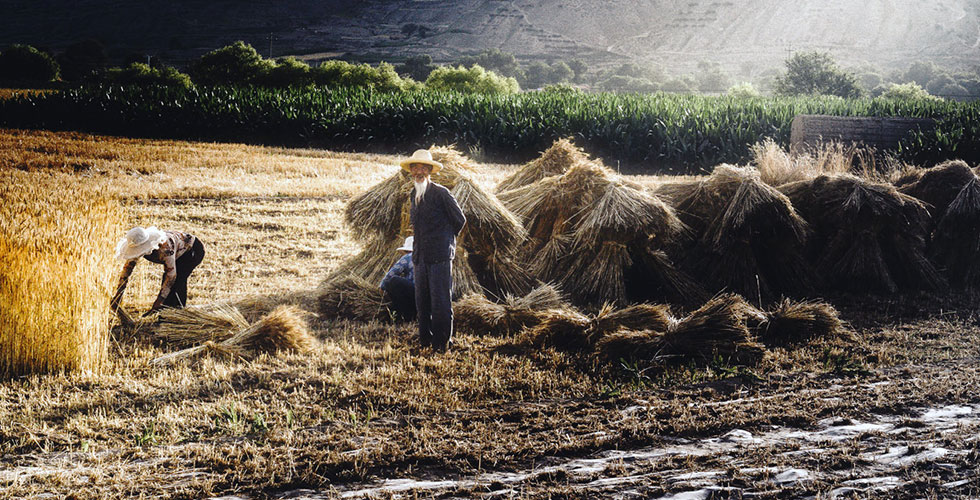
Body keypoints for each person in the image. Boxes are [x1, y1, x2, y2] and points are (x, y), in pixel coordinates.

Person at [402, 149, 466, 351]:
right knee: (422, 301)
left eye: (423, 168)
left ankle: (441, 344)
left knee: (441, 302)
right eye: (415, 168)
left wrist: (445, 240)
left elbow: (460, 220)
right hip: (420, 256)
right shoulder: (414, 194)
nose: (419, 172)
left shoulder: (441, 193)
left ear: (430, 171)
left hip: (439, 256)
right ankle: (425, 340)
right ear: (411, 171)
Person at [110, 226, 206, 316]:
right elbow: (127, 270)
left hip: (192, 251)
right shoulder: (137, 245)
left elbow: (171, 275)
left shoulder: (165, 248)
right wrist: (119, 294)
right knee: (168, 284)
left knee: (177, 282)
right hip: (177, 252)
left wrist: (159, 301)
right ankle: (165, 314)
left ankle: (176, 316)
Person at [380, 236, 417, 322]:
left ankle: (405, 315)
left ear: (406, 251)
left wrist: (382, 287)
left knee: (393, 281)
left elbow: (390, 275)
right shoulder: (427, 258)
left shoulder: (408, 257)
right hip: (429, 296)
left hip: (415, 294)